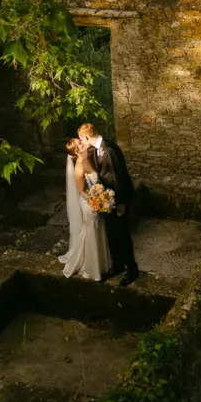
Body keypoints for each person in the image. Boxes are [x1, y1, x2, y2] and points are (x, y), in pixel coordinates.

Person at [77, 122, 140, 287]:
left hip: (118, 200)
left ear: (86, 137)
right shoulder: (97, 148)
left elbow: (119, 177)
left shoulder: (109, 149)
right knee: (112, 234)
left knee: (122, 235)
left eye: (81, 139)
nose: (82, 142)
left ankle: (132, 269)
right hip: (107, 200)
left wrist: (122, 203)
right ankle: (117, 265)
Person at [58, 138, 111, 282]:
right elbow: (82, 191)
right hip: (89, 204)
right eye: (80, 143)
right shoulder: (79, 167)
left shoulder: (88, 157)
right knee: (92, 232)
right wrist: (97, 201)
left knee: (99, 231)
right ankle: (92, 269)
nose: (82, 141)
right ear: (76, 152)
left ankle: (103, 264)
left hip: (95, 200)